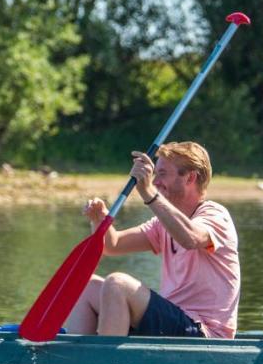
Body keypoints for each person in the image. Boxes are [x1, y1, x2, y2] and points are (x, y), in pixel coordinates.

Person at [63, 141, 241, 338]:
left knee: (117, 284)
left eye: (162, 174)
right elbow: (113, 245)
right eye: (155, 174)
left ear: (190, 177)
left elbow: (190, 238)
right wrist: (99, 220)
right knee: (85, 285)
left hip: (203, 332)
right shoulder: (162, 222)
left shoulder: (215, 215)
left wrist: (148, 192)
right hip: (173, 323)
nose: (155, 181)